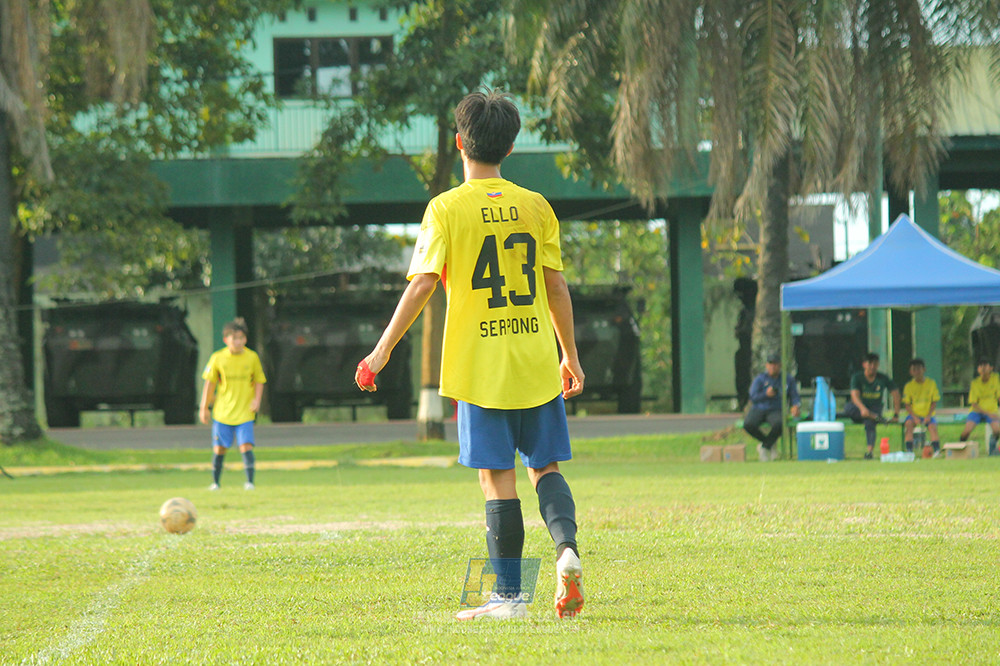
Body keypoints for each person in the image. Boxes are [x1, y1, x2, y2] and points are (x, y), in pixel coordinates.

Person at [354, 89, 586, 621]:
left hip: (480, 369)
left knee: (496, 477)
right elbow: (557, 289)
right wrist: (569, 354)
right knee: (544, 467)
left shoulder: (445, 208)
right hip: (534, 360)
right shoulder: (536, 205)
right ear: (510, 147)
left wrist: (381, 350)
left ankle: (509, 598)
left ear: (460, 143)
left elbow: (422, 286)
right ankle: (566, 551)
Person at [199, 317, 266, 490]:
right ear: (226, 339)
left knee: (245, 445)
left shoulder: (252, 357)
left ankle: (250, 482)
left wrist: (257, 400)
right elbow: (209, 384)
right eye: (234, 338)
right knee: (220, 448)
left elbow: (259, 380)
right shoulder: (218, 358)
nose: (238, 342)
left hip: (244, 412)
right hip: (223, 412)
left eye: (241, 338)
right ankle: (215, 483)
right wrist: (204, 407)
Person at [743, 352, 800, 462]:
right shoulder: (760, 379)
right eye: (770, 364)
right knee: (748, 424)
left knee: (780, 423)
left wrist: (795, 406)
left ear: (780, 365)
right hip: (759, 408)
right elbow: (753, 397)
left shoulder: (787, 379)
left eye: (775, 364)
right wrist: (765, 394)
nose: (773, 367)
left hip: (776, 408)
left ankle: (764, 447)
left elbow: (794, 395)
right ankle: (768, 443)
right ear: (766, 365)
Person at [843, 352, 901, 459]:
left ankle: (869, 451)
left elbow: (895, 393)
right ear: (864, 364)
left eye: (875, 364)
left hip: (874, 408)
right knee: (847, 408)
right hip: (859, 408)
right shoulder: (857, 377)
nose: (873, 367)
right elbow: (854, 396)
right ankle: (877, 418)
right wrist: (863, 409)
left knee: (870, 422)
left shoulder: (882, 378)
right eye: (870, 364)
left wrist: (896, 414)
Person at [958, 358, 1000, 455]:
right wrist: (988, 414)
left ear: (991, 368)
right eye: (981, 366)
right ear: (978, 369)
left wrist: (994, 413)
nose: (983, 368)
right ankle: (959, 448)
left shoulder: (995, 379)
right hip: (977, 412)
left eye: (985, 365)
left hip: (992, 410)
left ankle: (992, 449)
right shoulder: (975, 383)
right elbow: (974, 404)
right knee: (967, 431)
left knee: (997, 430)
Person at [901, 358, 941, 455]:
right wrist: (914, 417)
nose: (917, 372)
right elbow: (907, 404)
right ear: (911, 372)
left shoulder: (931, 383)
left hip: (928, 414)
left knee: (932, 427)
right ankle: (909, 451)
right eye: (914, 370)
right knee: (909, 425)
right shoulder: (909, 386)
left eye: (919, 369)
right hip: (914, 414)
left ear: (924, 369)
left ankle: (936, 451)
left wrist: (928, 416)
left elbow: (934, 402)